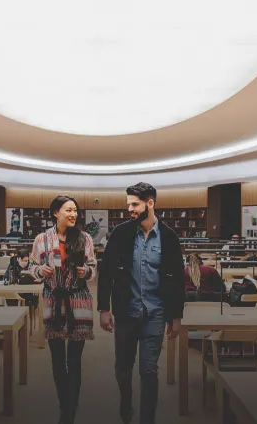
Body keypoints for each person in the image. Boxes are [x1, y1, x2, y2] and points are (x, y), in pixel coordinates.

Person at [98, 182, 185, 424]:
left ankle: (147, 419)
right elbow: (106, 272)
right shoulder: (121, 233)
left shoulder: (169, 237)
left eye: (135, 204)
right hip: (126, 312)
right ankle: (126, 409)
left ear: (150, 203)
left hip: (155, 314)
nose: (130, 209)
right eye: (128, 205)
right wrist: (104, 308)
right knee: (123, 369)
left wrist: (176, 316)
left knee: (149, 371)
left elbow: (178, 279)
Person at [27, 196, 97, 424]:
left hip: (78, 301)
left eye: (75, 211)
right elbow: (31, 267)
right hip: (53, 301)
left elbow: (94, 268)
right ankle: (64, 404)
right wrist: (40, 271)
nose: (73, 214)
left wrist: (85, 271)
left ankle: (70, 410)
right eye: (68, 210)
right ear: (55, 212)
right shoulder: (42, 239)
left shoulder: (85, 238)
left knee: (75, 360)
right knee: (57, 359)